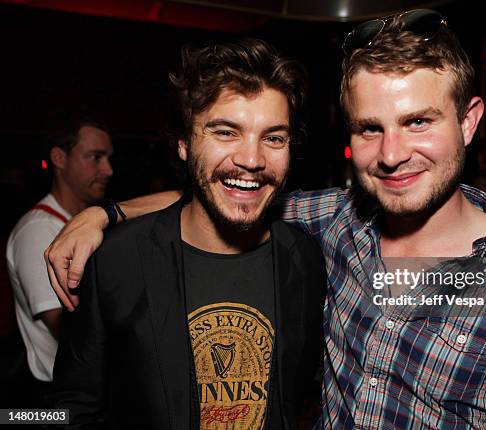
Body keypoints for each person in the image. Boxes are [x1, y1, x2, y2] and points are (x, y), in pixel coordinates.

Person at [46, 9, 486, 428]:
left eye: (419, 121)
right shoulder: (339, 226)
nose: (393, 153)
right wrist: (102, 212)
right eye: (370, 127)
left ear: (469, 121)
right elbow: (234, 190)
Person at [48, 39, 326, 429]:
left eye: (273, 137)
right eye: (226, 132)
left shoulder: (306, 258)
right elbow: (68, 410)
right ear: (183, 143)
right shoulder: (116, 261)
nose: (251, 159)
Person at [6, 119, 113, 401]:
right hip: (54, 400)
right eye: (95, 157)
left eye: (108, 159)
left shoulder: (82, 226)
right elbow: (67, 332)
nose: (108, 170)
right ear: (59, 158)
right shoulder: (39, 230)